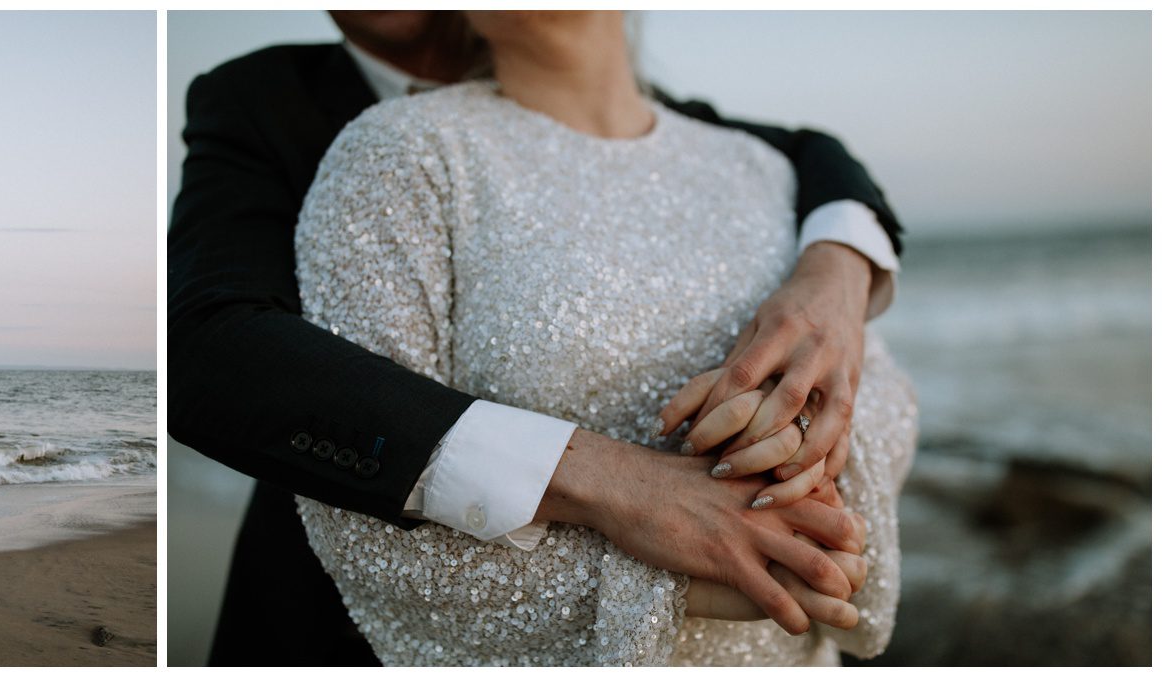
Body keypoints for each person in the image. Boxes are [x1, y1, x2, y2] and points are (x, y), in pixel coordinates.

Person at [169, 10, 905, 665]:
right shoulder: (334, 130)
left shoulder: (739, 160)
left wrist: (826, 307)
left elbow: (813, 161)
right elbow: (207, 344)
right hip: (354, 610)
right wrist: (630, 501)